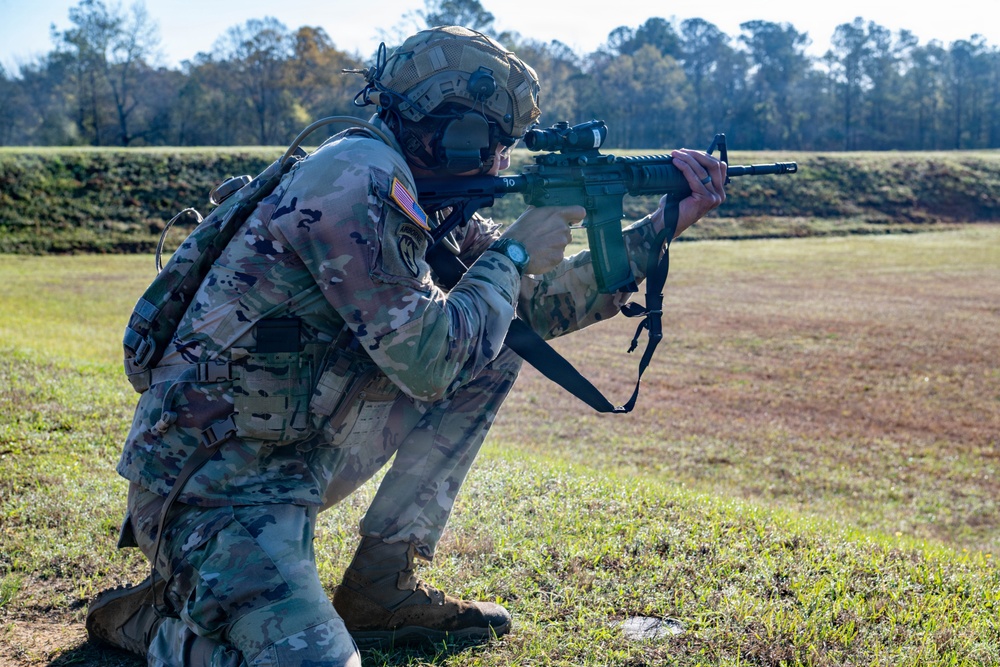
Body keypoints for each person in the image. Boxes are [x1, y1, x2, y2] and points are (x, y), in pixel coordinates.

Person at [86, 25, 727, 667]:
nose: (497, 160)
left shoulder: (412, 187)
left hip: (293, 457)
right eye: (487, 142)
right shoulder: (354, 179)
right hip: (216, 488)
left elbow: (528, 311)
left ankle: (381, 586)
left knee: (494, 337)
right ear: (443, 130)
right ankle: (153, 623)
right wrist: (513, 251)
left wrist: (665, 223)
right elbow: (430, 360)